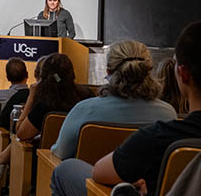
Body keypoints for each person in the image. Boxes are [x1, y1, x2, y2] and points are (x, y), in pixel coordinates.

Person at [51, 22, 201, 196]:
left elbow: (63, 154)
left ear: (183, 74)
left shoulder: (159, 134)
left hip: (114, 179)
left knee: (65, 168)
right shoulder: (167, 112)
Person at [0, 53, 93, 179]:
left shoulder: (46, 104)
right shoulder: (87, 96)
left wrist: (31, 97)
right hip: (85, 154)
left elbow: (20, 133)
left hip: (47, 158)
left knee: (24, 139)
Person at [51, 40, 177, 160]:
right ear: (149, 71)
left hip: (90, 180)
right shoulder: (168, 114)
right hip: (148, 182)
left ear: (108, 71)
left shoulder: (84, 110)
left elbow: (60, 153)